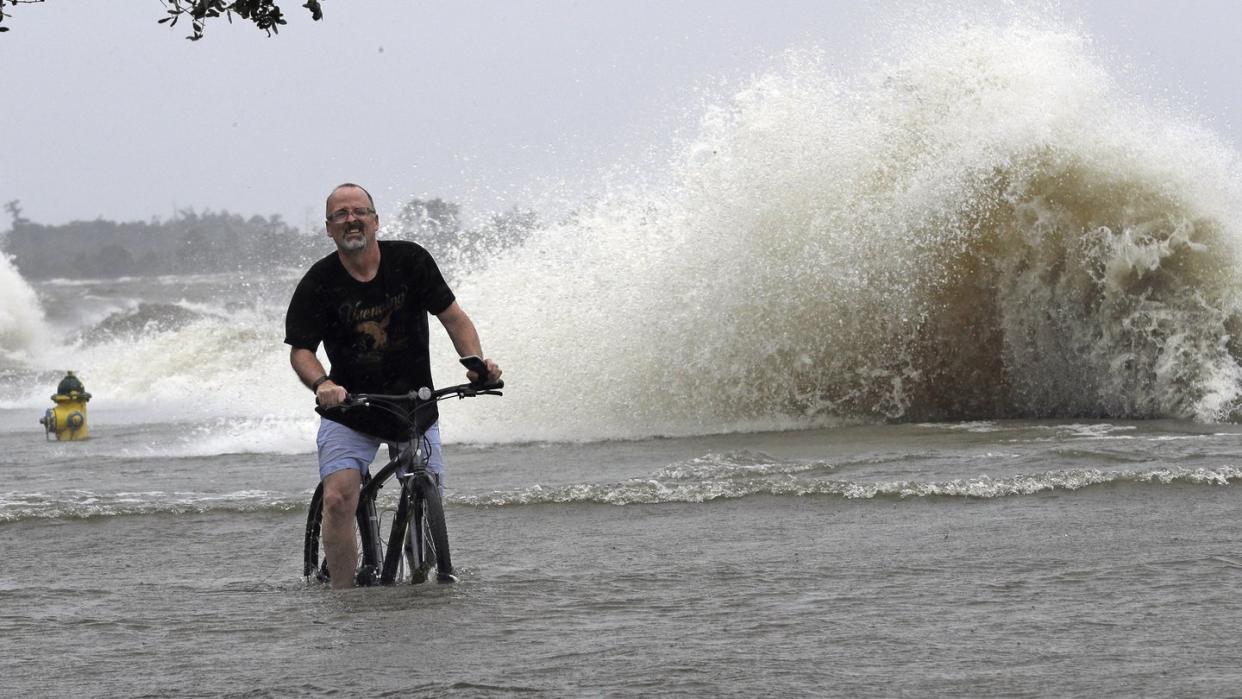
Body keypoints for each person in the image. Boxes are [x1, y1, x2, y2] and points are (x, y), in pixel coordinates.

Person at [284, 182, 501, 589]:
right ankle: (344, 599)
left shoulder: (410, 261)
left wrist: (475, 364)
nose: (352, 219)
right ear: (329, 228)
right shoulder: (319, 281)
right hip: (350, 409)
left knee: (426, 494)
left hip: (415, 405)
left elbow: (454, 318)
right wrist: (323, 383)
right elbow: (301, 351)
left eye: (359, 211)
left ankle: (422, 577)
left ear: (375, 220)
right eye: (341, 214)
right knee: (339, 499)